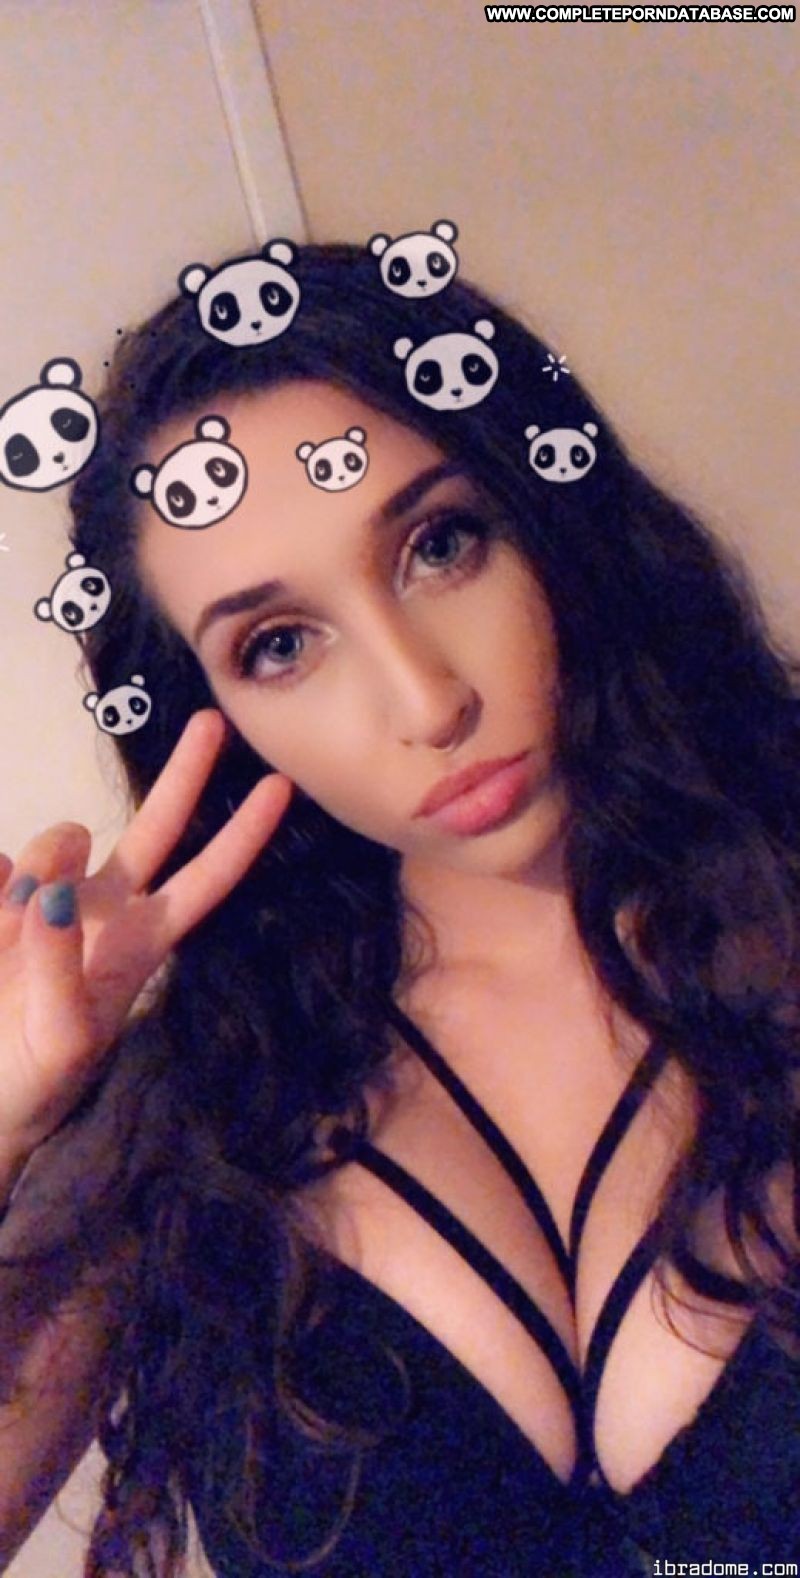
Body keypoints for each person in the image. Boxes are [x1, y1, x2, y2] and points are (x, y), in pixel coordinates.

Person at [0, 239, 798, 1578]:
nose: (429, 701)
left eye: (440, 544)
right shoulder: (191, 1111)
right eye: (280, 645)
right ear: (215, 713)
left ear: (551, 515)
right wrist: (10, 1116)